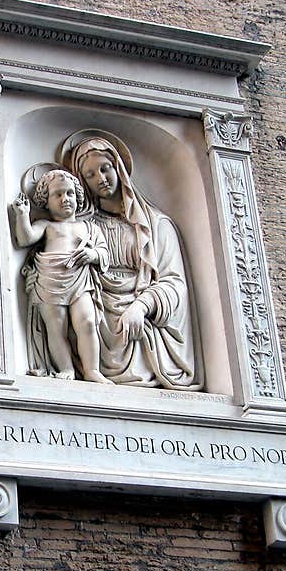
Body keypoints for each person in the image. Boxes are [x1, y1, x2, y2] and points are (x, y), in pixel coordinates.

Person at [65, 132, 201, 390]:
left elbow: (174, 283)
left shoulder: (157, 225)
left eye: (105, 169)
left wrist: (140, 306)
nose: (101, 179)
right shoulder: (82, 228)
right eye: (90, 175)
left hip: (144, 318)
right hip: (98, 314)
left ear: (118, 168)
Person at [11, 169, 111, 383]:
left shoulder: (89, 228)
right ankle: (66, 369)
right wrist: (22, 215)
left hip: (80, 280)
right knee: (56, 327)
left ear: (78, 196)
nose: (65, 199)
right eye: (57, 194)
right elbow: (24, 239)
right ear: (46, 201)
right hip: (49, 280)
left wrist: (92, 254)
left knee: (86, 322)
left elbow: (104, 254)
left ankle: (92, 370)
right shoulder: (46, 226)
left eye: (69, 193)